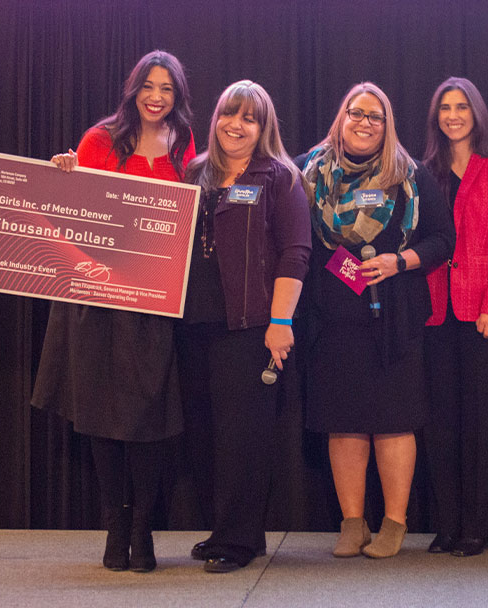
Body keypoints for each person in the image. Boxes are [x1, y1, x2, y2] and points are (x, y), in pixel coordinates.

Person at [32, 50, 196, 572]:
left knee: (146, 415)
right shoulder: (100, 138)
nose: (156, 96)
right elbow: (72, 210)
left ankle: (144, 526)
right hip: (94, 299)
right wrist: (63, 175)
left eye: (167, 88)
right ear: (133, 89)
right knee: (100, 413)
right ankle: (115, 526)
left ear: (178, 96)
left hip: (152, 301)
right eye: (149, 85)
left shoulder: (187, 144)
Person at [297, 82, 455, 559]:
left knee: (392, 422)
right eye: (356, 113)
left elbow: (443, 240)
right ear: (341, 118)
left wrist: (399, 261)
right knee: (343, 423)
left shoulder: (411, 176)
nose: (364, 123)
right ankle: (352, 523)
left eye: (375, 116)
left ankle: (393, 523)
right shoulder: (308, 174)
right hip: (332, 318)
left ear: (388, 125)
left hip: (395, 317)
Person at [178, 80, 311, 573]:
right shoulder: (194, 172)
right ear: (215, 119)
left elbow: (297, 253)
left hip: (250, 325)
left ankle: (237, 539)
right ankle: (231, 530)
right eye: (228, 114)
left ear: (263, 127)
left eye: (248, 118)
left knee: (244, 437)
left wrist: (280, 321)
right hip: (193, 323)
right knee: (206, 433)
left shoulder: (281, 177)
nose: (236, 125)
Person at [420, 77, 488, 557]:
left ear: (477, 113)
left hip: (484, 313)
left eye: (462, 107)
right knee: (441, 423)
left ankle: (478, 525)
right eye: (446, 108)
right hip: (437, 312)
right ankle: (448, 522)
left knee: (483, 422)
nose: (454, 115)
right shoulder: (425, 170)